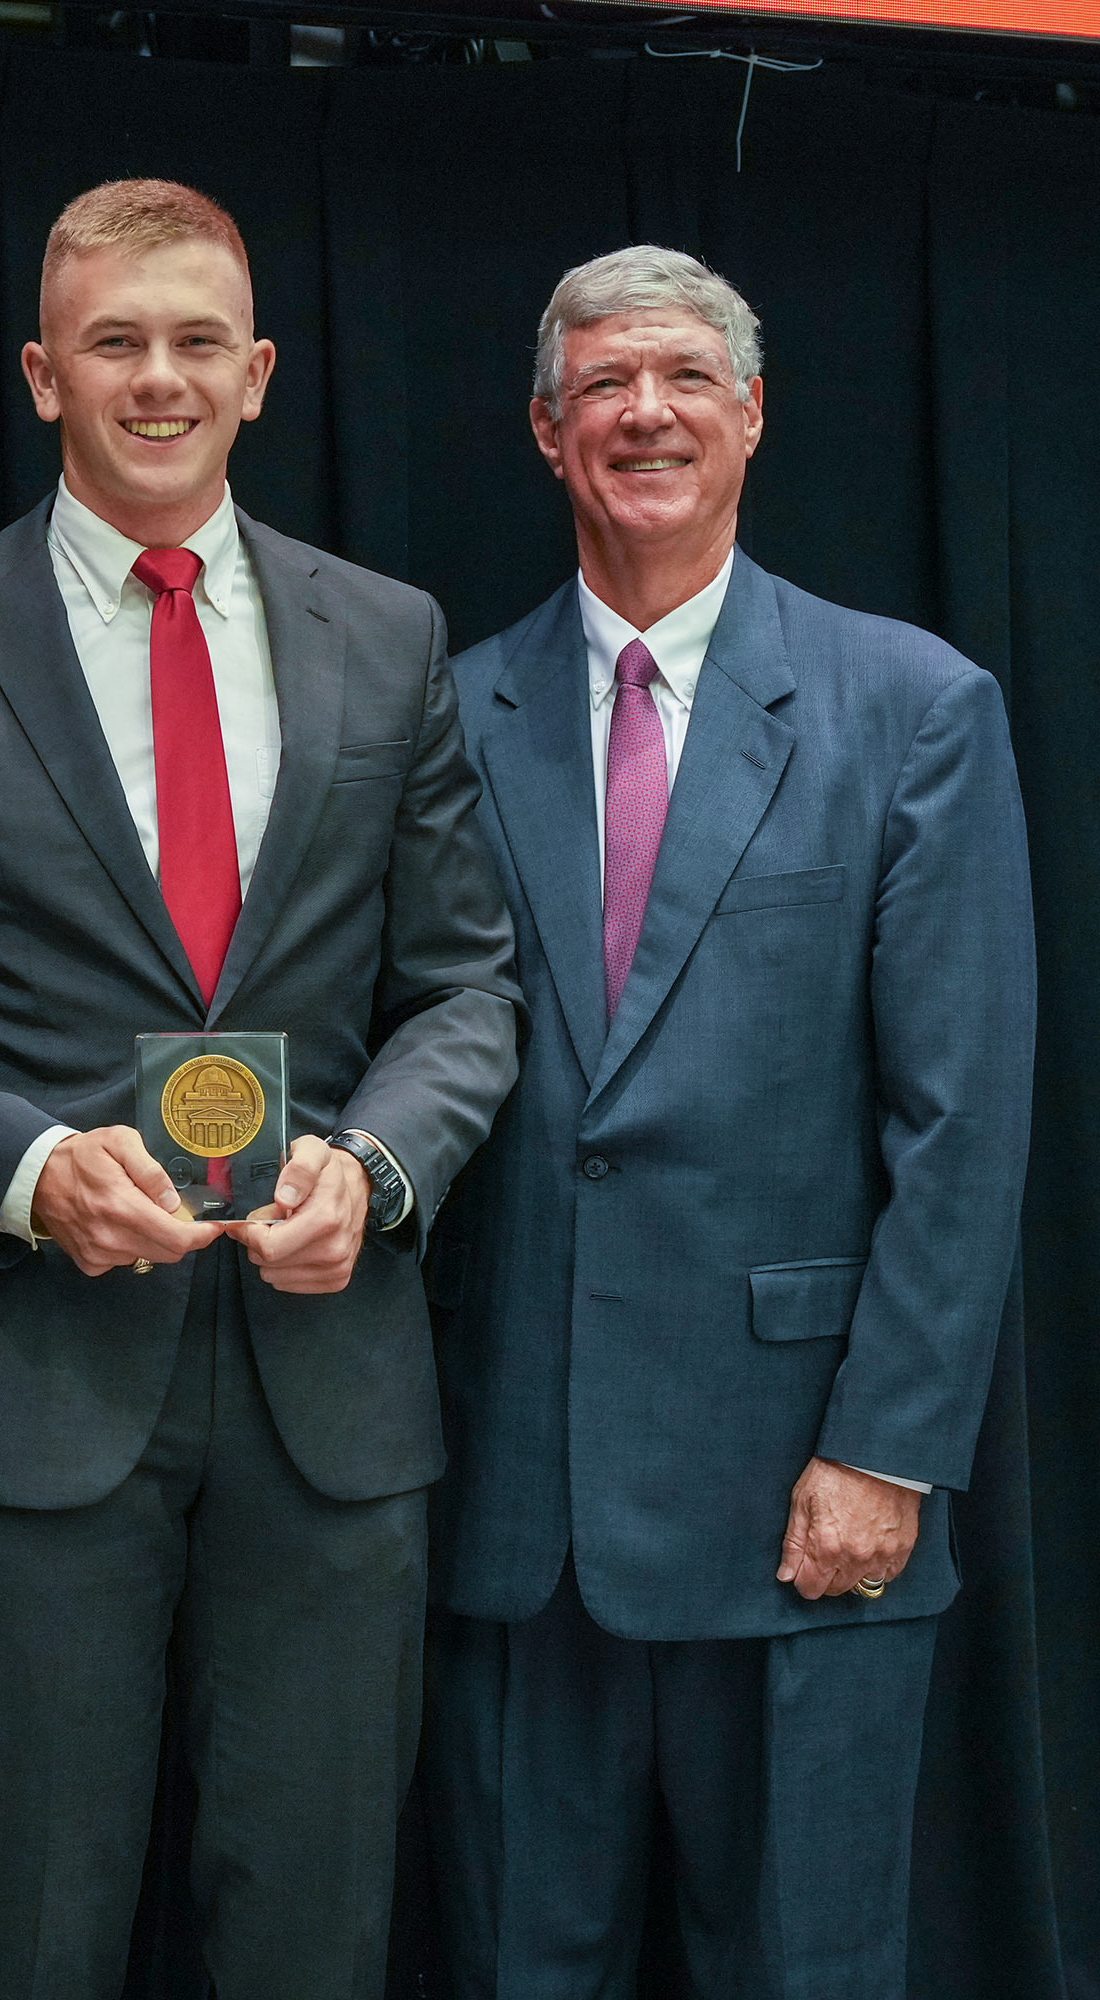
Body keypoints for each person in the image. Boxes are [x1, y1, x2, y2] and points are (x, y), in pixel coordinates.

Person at [0, 180, 521, 2000]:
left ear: (261, 373)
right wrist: (26, 1165)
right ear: (43, 372)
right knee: (37, 1919)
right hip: (42, 1379)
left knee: (319, 1918)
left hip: (330, 1392)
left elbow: (465, 982)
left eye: (199, 342)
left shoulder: (393, 634)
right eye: (116, 342)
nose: (160, 379)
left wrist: (378, 1161)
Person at [424, 246, 1035, 1997]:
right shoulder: (448, 716)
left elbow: (963, 1116)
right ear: (547, 433)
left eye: (688, 375)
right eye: (604, 384)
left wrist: (890, 1451)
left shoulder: (911, 707)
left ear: (754, 415)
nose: (647, 411)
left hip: (807, 1502)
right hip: (512, 1505)